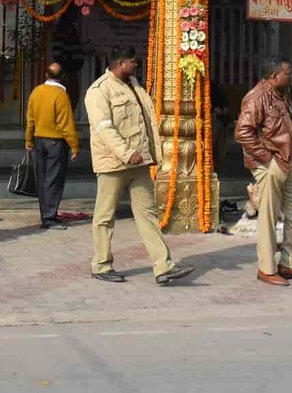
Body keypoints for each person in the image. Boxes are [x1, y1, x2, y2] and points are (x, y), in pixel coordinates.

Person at [84, 47, 193, 286]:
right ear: (120, 63)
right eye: (132, 62)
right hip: (113, 164)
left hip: (140, 163)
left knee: (148, 215)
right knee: (105, 216)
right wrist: (125, 152)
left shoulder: (135, 87)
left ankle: (163, 266)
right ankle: (101, 264)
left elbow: (148, 124)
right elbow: (104, 129)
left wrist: (151, 155)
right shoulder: (99, 91)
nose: (136, 65)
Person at [235, 58, 292, 286]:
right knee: (268, 216)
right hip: (271, 162)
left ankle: (291, 263)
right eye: (288, 73)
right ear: (274, 75)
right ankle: (266, 268)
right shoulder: (257, 97)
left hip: (290, 159)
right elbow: (242, 132)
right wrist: (268, 159)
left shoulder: (282, 94)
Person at [24, 60, 80, 229]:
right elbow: (66, 123)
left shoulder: (36, 92)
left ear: (46, 75)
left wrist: (29, 140)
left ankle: (46, 214)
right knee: (54, 180)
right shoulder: (61, 95)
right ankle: (49, 217)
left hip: (40, 140)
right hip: (56, 142)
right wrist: (74, 145)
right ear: (62, 77)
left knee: (43, 179)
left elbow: (30, 119)